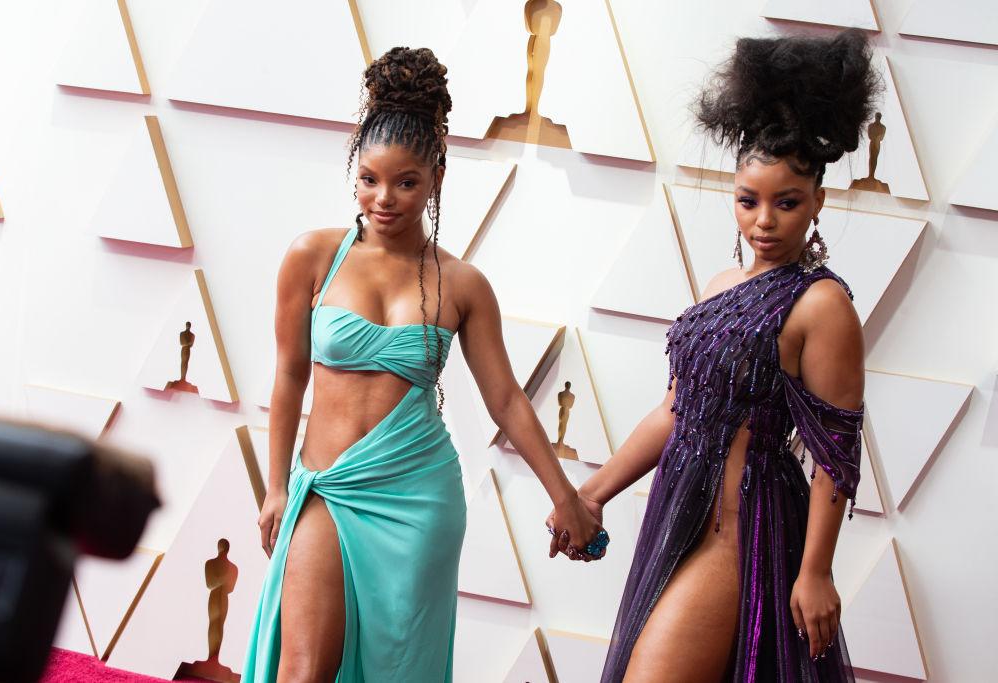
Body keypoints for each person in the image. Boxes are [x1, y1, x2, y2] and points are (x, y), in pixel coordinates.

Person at [242, 47, 604, 683]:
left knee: (398, 670)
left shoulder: (462, 284)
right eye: (369, 179)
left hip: (418, 497)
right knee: (302, 671)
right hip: (326, 484)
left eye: (405, 182)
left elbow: (507, 401)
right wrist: (275, 485)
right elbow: (289, 374)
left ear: (436, 175)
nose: (384, 199)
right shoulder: (312, 256)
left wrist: (566, 496)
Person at [560, 30, 880, 682]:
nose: (764, 220)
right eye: (748, 200)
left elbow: (835, 451)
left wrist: (815, 569)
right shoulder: (720, 286)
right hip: (676, 520)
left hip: (744, 536)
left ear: (818, 201)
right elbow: (675, 410)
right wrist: (591, 491)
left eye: (787, 202)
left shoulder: (822, 305)